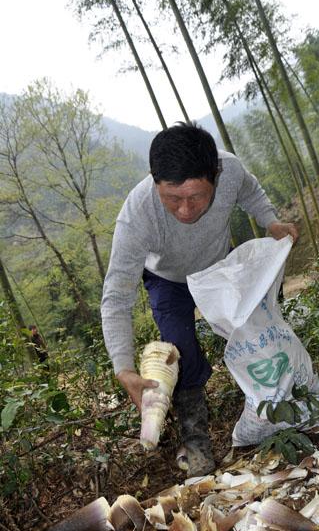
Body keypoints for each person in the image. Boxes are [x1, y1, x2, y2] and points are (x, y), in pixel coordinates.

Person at [101, 122, 298, 477]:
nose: (186, 210)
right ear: (155, 180)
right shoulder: (137, 215)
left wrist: (271, 222)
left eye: (196, 197)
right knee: (180, 351)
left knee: (256, 330)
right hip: (168, 280)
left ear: (215, 175)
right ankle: (196, 442)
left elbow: (250, 190)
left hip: (219, 266)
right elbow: (116, 296)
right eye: (173, 198)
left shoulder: (231, 169)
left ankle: (276, 405)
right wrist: (124, 369)